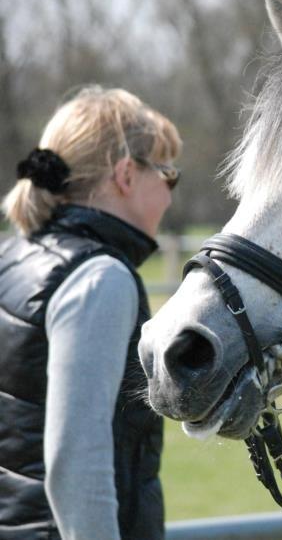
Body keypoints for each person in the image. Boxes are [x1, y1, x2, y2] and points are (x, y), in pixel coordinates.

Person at [0, 86, 182, 540]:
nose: (169, 195)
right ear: (126, 174)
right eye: (167, 174)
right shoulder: (99, 279)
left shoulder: (11, 258)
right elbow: (75, 462)